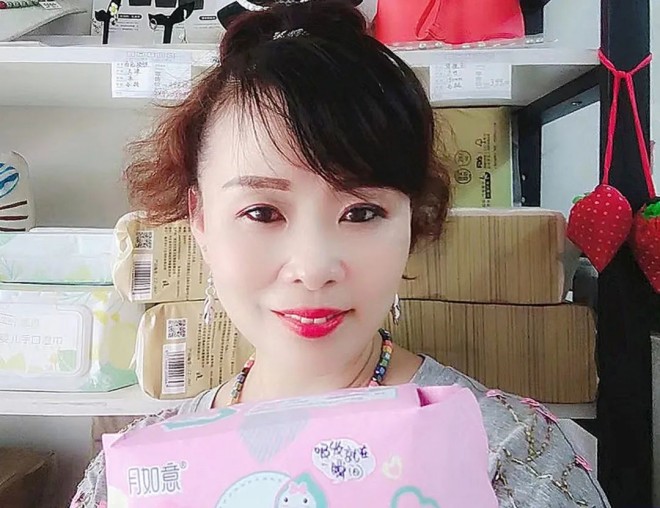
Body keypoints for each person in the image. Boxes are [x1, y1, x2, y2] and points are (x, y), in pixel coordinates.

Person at [71, 1, 610, 506]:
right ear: (202, 220)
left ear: (411, 219)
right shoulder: (133, 479)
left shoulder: (511, 460)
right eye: (262, 212)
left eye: (361, 213)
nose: (313, 269)